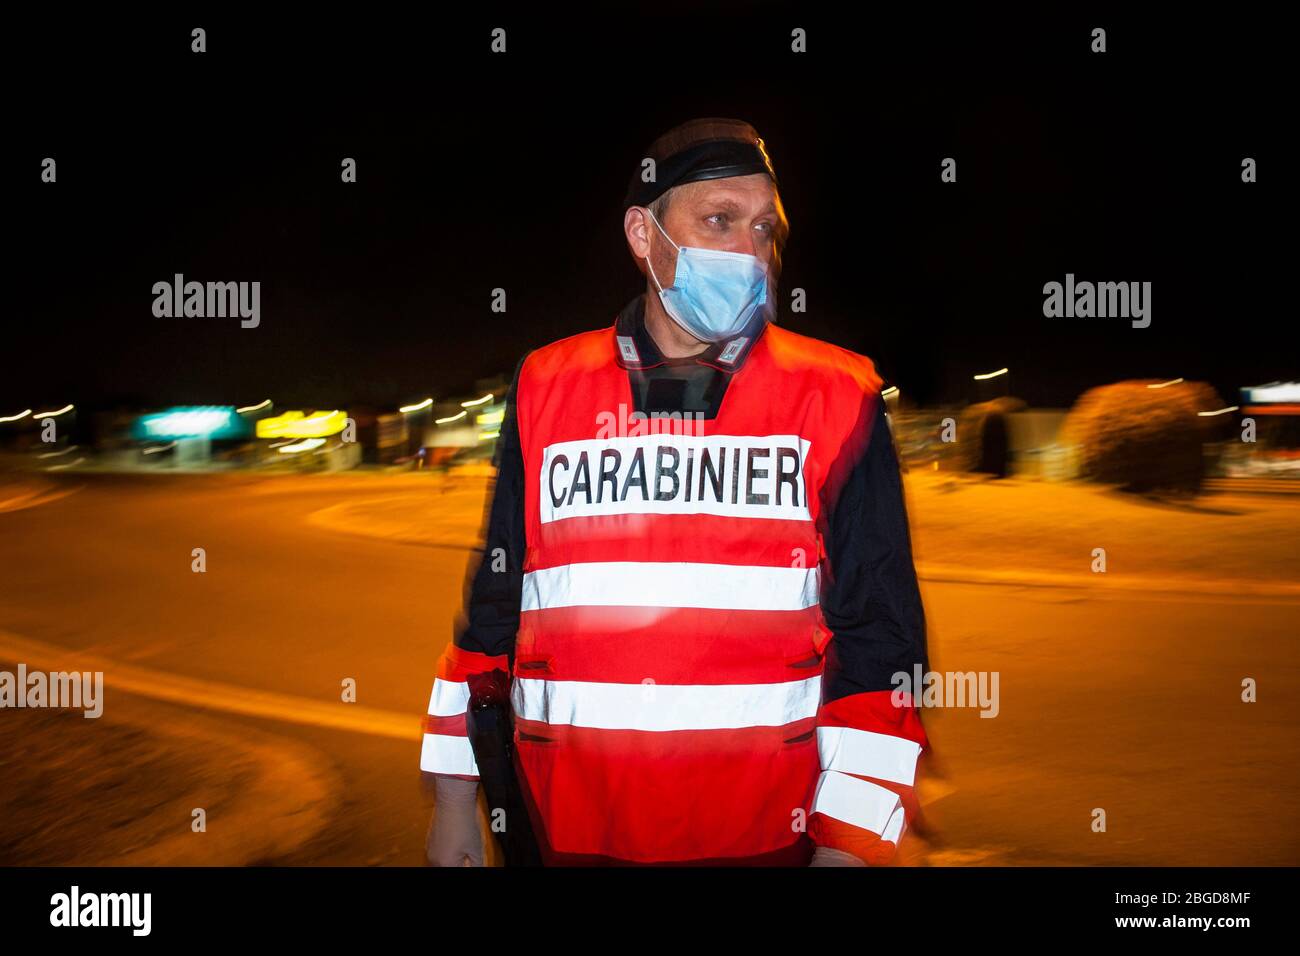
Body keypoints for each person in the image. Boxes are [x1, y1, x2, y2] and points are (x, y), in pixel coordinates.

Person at [421, 118, 929, 866]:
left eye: (764, 231)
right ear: (642, 233)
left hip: (763, 838)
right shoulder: (545, 386)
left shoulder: (837, 395)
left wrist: (850, 844)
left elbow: (882, 642)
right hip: (563, 828)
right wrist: (455, 801)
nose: (749, 254)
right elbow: (491, 613)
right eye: (719, 221)